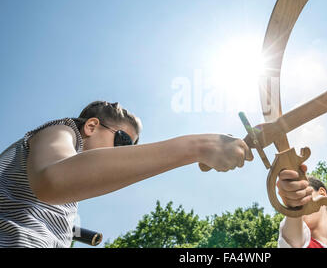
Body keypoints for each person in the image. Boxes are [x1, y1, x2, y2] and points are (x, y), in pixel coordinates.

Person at [0, 100, 253, 248]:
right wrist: (197, 147)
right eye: (122, 143)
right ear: (91, 126)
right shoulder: (62, 131)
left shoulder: (72, 193)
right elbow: (51, 180)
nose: (123, 155)